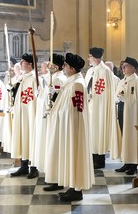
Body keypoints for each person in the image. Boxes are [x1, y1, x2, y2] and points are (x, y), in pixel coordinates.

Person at [44, 53, 94, 202]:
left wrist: (60, 114)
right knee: (71, 157)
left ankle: (76, 190)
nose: (63, 67)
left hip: (74, 128)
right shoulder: (71, 81)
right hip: (68, 126)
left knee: (75, 156)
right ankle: (72, 187)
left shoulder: (77, 84)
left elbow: (76, 110)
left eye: (65, 65)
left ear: (72, 68)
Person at [114, 57, 138, 175]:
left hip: (134, 115)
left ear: (133, 68)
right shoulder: (122, 81)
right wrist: (119, 97)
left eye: (125, 66)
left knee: (132, 137)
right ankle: (126, 161)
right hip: (122, 110)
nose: (123, 68)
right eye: (123, 66)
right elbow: (117, 94)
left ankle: (134, 164)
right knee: (124, 136)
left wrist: (128, 99)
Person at [85, 47, 118, 168]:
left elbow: (107, 92)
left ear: (95, 58)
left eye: (89, 57)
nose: (88, 59)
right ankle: (92, 157)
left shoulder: (105, 71)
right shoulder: (90, 71)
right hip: (90, 105)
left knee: (99, 131)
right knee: (92, 131)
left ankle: (100, 160)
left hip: (101, 107)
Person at [39, 54, 67, 191]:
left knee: (55, 147)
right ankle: (54, 176)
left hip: (56, 118)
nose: (48, 67)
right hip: (51, 117)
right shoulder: (54, 78)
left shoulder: (58, 79)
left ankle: (57, 179)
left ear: (55, 66)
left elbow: (56, 98)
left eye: (50, 64)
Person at [10, 53, 40, 179]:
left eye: (23, 62)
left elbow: (38, 97)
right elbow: (15, 93)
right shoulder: (22, 77)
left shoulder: (34, 78)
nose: (20, 63)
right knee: (22, 137)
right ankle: (23, 166)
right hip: (21, 112)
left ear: (30, 64)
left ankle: (34, 167)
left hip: (31, 113)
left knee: (31, 138)